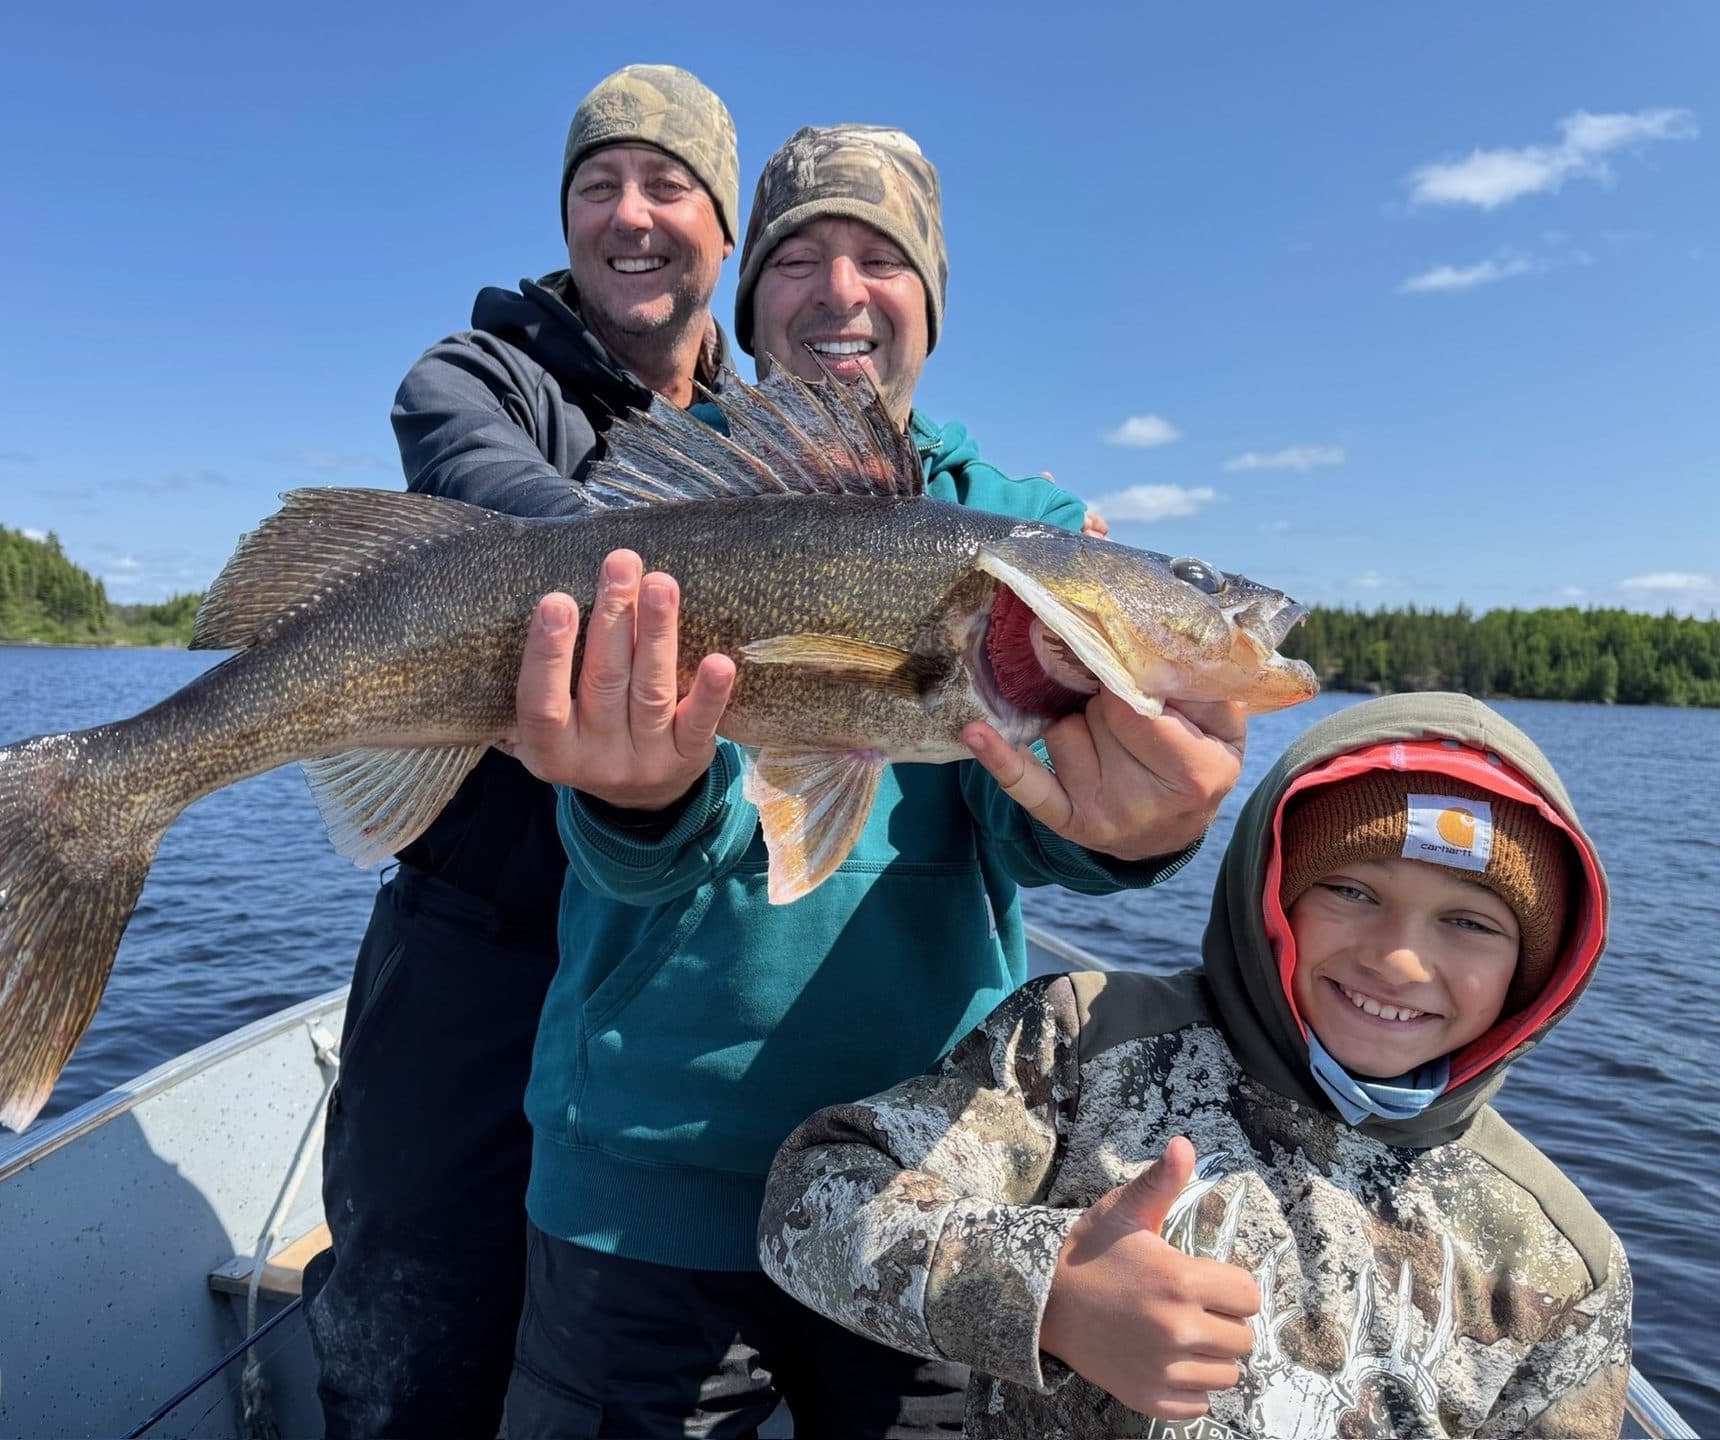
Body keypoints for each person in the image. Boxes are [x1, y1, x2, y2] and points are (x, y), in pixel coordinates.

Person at [499, 125, 1250, 1436]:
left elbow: (1052, 837)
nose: (841, 291)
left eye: (881, 259)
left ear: (932, 302)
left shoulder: (1026, 535)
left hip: (923, 1189)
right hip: (637, 1197)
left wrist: (1135, 831)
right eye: (799, 258)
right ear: (750, 294)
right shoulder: (652, 529)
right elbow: (641, 845)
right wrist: (637, 801)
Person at [760, 691, 1633, 1438]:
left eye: (1470, 923)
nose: (1399, 960)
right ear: (1272, 892)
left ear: (1538, 965)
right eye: (1353, 892)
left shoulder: (1568, 1262)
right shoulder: (1086, 1043)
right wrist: (1048, 1290)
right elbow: (813, 1197)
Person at [298, 63, 738, 1439]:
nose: (631, 212)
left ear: (723, 228)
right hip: (474, 947)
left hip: (662, 965)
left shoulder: (768, 433)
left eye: (669, 184)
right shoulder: (471, 378)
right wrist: (768, 569)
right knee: (412, 1331)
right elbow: (509, 509)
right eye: (597, 184)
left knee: (611, 1361)